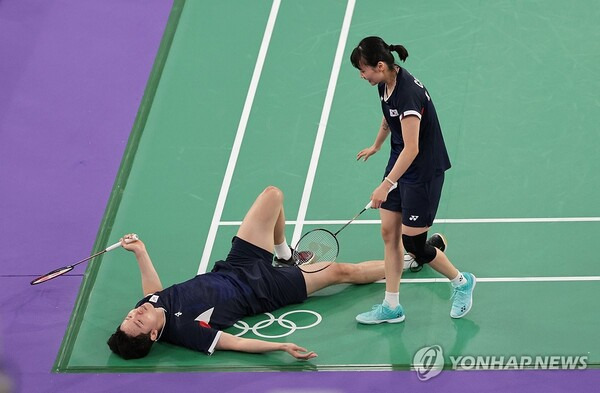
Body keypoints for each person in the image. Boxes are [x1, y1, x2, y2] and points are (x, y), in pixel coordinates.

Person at [107, 186, 385, 360]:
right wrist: (279, 347)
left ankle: (286, 256)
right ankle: (410, 258)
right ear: (154, 335)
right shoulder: (184, 332)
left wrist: (141, 251)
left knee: (272, 196)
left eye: (130, 316)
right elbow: (235, 343)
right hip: (264, 290)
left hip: (237, 264)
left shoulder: (147, 307)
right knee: (342, 271)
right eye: (139, 322)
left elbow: (153, 293)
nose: (137, 313)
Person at [349, 36, 476, 324]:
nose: (362, 75)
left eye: (363, 70)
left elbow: (413, 147)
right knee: (388, 233)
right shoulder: (385, 82)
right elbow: (388, 118)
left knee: (414, 245)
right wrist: (377, 145)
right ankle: (391, 306)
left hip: (423, 170)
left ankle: (461, 281)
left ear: (379, 66)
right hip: (401, 161)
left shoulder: (408, 94)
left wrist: (385, 184)